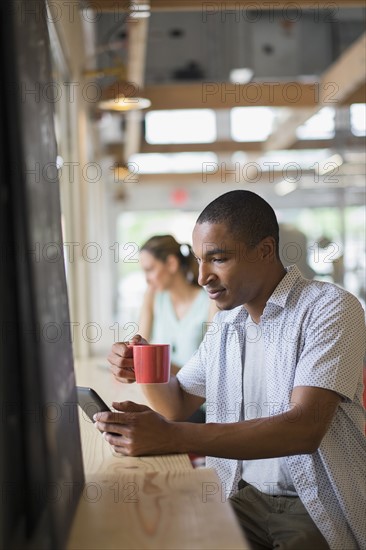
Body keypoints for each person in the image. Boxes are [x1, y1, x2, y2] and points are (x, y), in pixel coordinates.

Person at [101, 191, 365, 550]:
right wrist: (143, 363)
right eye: (198, 260)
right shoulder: (228, 324)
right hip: (242, 496)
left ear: (266, 251)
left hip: (314, 505)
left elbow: (303, 429)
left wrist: (171, 436)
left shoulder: (330, 308)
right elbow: (176, 403)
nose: (202, 276)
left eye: (218, 259)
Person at [137, 234, 217, 375]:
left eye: (150, 270)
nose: (146, 280)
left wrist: (156, 364)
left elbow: (211, 367)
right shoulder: (152, 297)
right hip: (162, 390)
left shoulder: (210, 302)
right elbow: (138, 350)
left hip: (194, 394)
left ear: (171, 264)